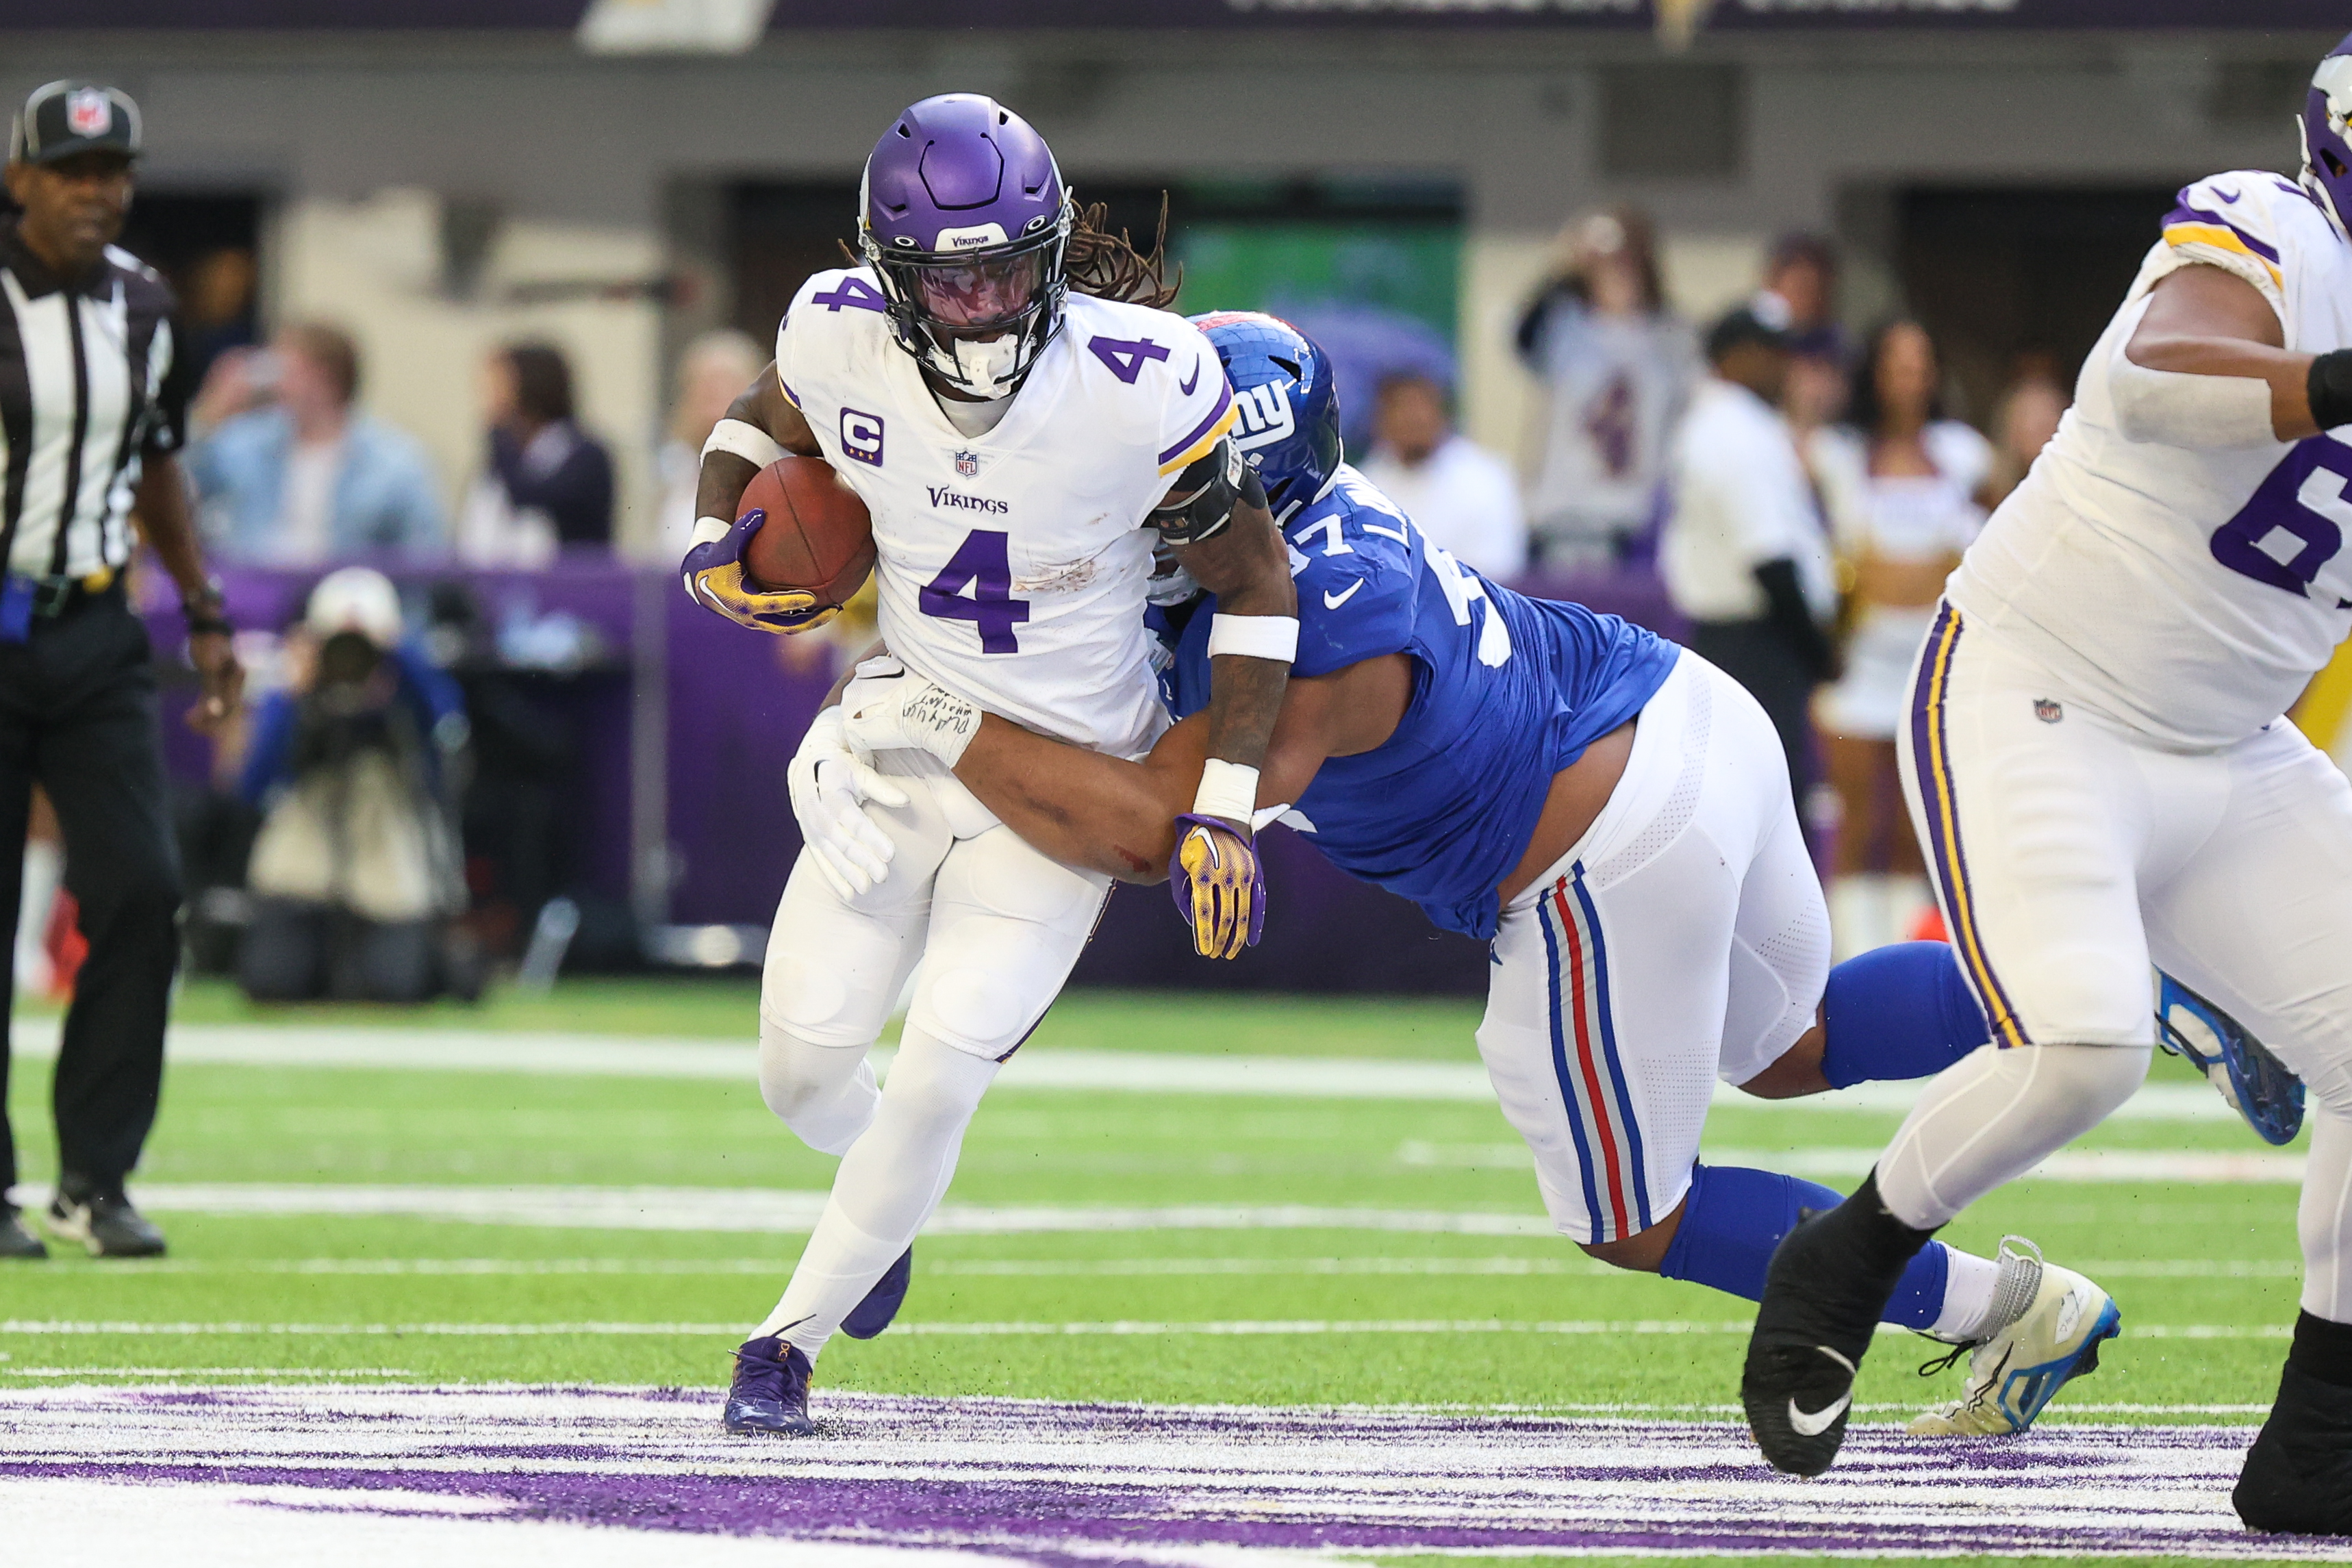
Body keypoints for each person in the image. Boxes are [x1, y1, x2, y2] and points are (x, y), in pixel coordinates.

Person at [838, 311, 2116, 1438]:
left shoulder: (1310, 640)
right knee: (1793, 1041)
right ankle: (2095, 976)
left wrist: (938, 706)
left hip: (1601, 846)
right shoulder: (1312, 526)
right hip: (1682, 711)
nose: (1150, 504)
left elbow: (1149, 827)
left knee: (1634, 1217)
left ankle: (2016, 1306)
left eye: (1179, 489)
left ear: (1255, 498)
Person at [1738, 38, 2352, 1530]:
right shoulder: (2277, 232)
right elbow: (2154, 379)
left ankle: (2322, 1432)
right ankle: (1851, 1251)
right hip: (2038, 688)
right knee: (2082, 1044)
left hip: (2230, 745)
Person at [681, 94, 1298, 1437]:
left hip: (1066, 774)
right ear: (887, 273)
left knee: (939, 1068)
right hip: (902, 729)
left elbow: (1256, 586)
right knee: (800, 1074)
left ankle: (785, 1340)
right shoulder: (837, 333)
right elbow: (757, 412)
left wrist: (1230, 808)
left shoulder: (1139, 386)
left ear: (1053, 249)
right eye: (944, 278)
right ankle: (877, 1207)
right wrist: (712, 535)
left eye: (1004, 270)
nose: (975, 304)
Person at [0, 80, 243, 1259]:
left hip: (95, 627)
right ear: (21, 182)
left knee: (142, 889)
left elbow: (157, 466)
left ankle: (94, 1179)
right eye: (70, 173)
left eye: (113, 173)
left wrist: (203, 611)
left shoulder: (147, 308)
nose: (95, 193)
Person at [1808, 321, 1993, 958]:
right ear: (1874, 373)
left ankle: (1904, 953)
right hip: (1860, 660)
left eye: (1920, 364)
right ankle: (1849, 956)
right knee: (1857, 818)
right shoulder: (1840, 454)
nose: (1908, 378)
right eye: (1896, 364)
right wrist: (1908, 571)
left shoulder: (1962, 454)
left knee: (1919, 819)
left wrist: (1901, 572)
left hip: (1932, 658)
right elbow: (1854, 564)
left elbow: (1974, 553)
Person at [236, 567, 469, 1004]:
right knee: (273, 982)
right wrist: (294, 691)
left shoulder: (403, 683)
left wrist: (400, 660)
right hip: (309, 842)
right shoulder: (295, 690)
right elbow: (252, 784)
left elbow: (448, 735)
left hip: (386, 840)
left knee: (390, 987)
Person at [1662, 304, 1837, 807]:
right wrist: (1818, 651)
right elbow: (1768, 560)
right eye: (1772, 352)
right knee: (1767, 797)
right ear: (1735, 357)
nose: (1784, 365)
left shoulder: (1729, 423)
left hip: (1745, 636)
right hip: (1753, 640)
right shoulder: (1732, 430)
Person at [1514, 208, 1697, 568]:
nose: (1617, 274)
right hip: (1562, 513)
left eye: (1627, 263)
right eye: (1608, 265)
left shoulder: (1671, 336)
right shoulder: (1565, 327)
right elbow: (1523, 335)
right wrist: (1565, 266)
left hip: (1634, 519)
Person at [186, 320, 446, 564]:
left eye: (289, 371)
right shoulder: (244, 443)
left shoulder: (397, 464)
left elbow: (424, 558)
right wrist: (211, 413)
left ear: (326, 378)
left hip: (346, 599)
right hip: (257, 596)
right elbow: (178, 484)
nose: (278, 384)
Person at [1357, 370, 1527, 580]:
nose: (1413, 418)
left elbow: (1499, 568)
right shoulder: (1360, 488)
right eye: (1400, 407)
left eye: (1422, 406)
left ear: (1443, 414)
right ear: (1379, 420)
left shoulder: (1488, 478)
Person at [456, 341, 614, 564]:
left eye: (499, 386)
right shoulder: (501, 459)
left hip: (569, 587)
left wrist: (498, 433)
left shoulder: (584, 455)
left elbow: (530, 497)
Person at [654, 329, 766, 563]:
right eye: (706, 386)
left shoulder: (775, 469)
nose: (715, 397)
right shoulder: (670, 465)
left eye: (728, 385)